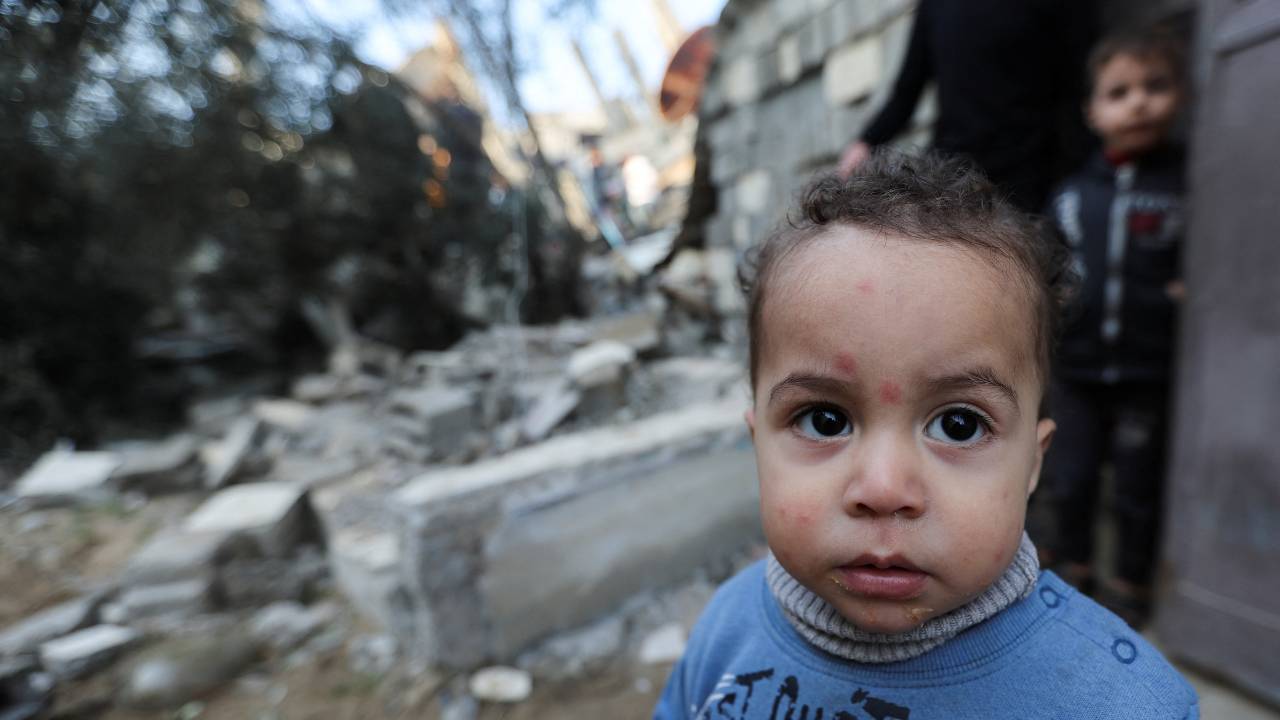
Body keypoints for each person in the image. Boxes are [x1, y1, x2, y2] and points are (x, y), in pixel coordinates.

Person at [653, 152, 1197, 719]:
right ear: (759, 444)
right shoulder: (727, 627)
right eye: (824, 420)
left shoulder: (1121, 703)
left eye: (959, 425)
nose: (884, 489)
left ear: (1033, 463)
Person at [1034, 29, 1187, 629]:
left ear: (1180, 96)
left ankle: (1130, 584)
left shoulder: (1186, 187)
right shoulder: (1072, 196)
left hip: (1148, 370)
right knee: (1069, 478)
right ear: (1093, 112)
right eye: (1119, 93)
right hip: (1078, 370)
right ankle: (1073, 568)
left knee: (1136, 487)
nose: (1139, 102)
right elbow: (1047, 268)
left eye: (1156, 86)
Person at [837, 0, 1097, 212]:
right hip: (952, 176)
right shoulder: (936, 5)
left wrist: (1075, 173)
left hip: (1030, 179)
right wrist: (866, 142)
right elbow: (907, 91)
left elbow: (1079, 87)